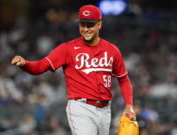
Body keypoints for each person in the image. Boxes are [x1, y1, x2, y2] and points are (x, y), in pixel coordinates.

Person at [11, 5, 136, 135]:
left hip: (105, 110)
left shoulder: (112, 50)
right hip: (81, 108)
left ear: (99, 25)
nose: (86, 29)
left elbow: (123, 79)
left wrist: (129, 105)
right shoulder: (67, 49)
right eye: (83, 24)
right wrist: (25, 64)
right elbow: (40, 67)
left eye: (90, 25)